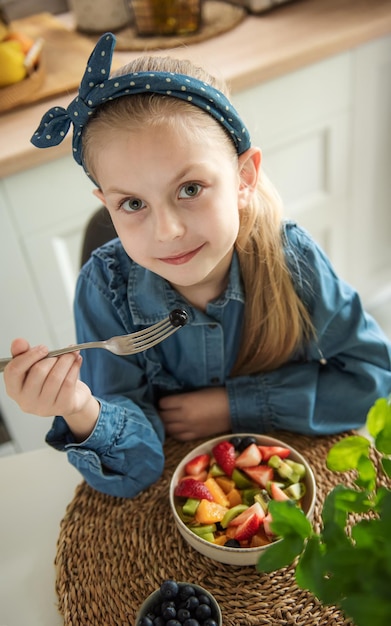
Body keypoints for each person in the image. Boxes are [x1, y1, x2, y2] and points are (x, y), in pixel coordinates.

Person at [4, 34, 391, 498]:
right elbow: (140, 468)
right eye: (132, 202)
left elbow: (373, 381)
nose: (166, 230)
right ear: (107, 205)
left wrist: (233, 406)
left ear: (244, 179)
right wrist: (79, 406)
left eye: (190, 189)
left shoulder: (292, 260)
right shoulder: (103, 288)